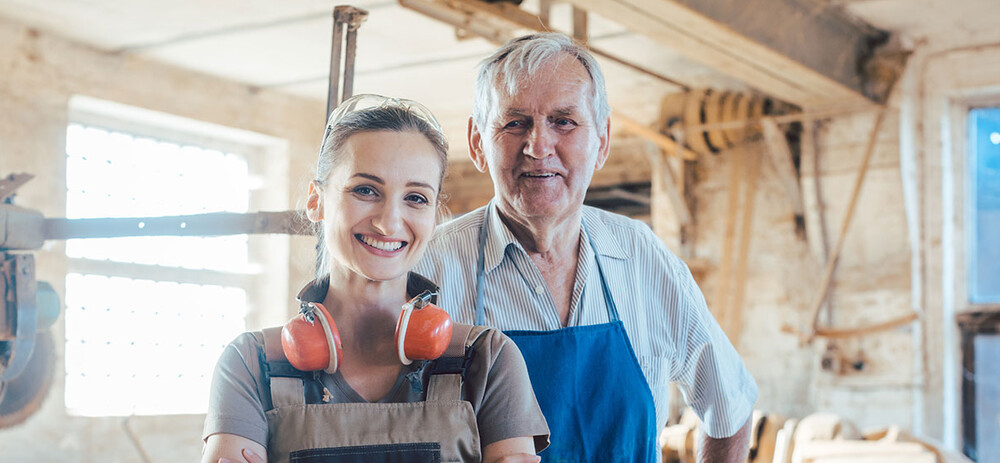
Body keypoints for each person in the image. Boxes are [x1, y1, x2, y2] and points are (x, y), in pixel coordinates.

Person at [413, 33, 758, 462]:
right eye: (515, 122)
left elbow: (731, 409)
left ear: (603, 141)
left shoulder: (642, 258)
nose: (538, 146)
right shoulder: (429, 269)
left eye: (564, 121)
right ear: (478, 141)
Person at [201, 94, 549, 463]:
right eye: (365, 190)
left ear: (433, 215)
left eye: (415, 198)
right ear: (316, 200)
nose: (389, 222)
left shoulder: (485, 360)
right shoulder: (253, 363)